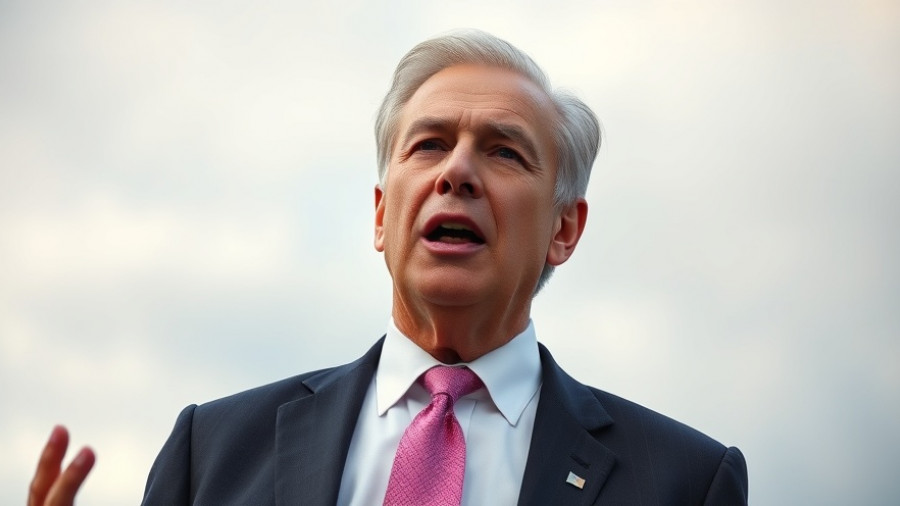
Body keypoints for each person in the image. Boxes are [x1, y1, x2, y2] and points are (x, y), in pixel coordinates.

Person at [29, 29, 748, 505]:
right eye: (429, 144)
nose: (458, 171)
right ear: (380, 214)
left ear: (564, 228)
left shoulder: (685, 481)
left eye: (504, 151)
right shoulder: (212, 453)